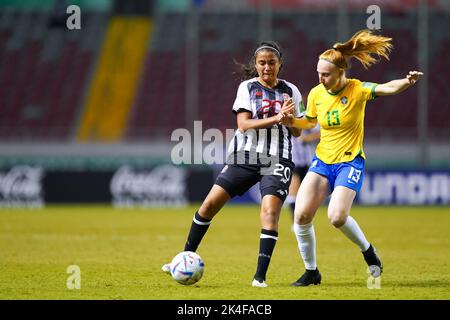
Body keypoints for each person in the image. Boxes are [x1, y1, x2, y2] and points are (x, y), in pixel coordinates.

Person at [280, 29, 423, 286]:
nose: (321, 78)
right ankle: (312, 272)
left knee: (336, 217)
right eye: (318, 74)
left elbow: (386, 88)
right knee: (300, 216)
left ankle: (368, 252)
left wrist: (406, 82)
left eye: (326, 74)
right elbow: (309, 121)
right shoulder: (316, 94)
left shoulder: (357, 89)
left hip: (349, 161)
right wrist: (291, 121)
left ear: (340, 73)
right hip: (323, 162)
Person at [162, 41, 304, 287]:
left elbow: (298, 133)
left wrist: (290, 120)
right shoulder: (247, 88)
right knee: (208, 205)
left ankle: (259, 277)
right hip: (246, 155)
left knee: (269, 213)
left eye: (272, 62)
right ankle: (183, 258)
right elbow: (243, 125)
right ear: (255, 65)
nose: (267, 67)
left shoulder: (291, 90)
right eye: (262, 63)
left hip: (278, 156)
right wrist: (277, 118)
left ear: (280, 64)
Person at [285, 124, 320, 227]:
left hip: (308, 161)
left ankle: (304, 220)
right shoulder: (283, 117)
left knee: (307, 194)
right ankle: (295, 222)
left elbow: (321, 133)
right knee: (293, 192)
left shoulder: (306, 117)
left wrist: (307, 138)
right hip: (292, 160)